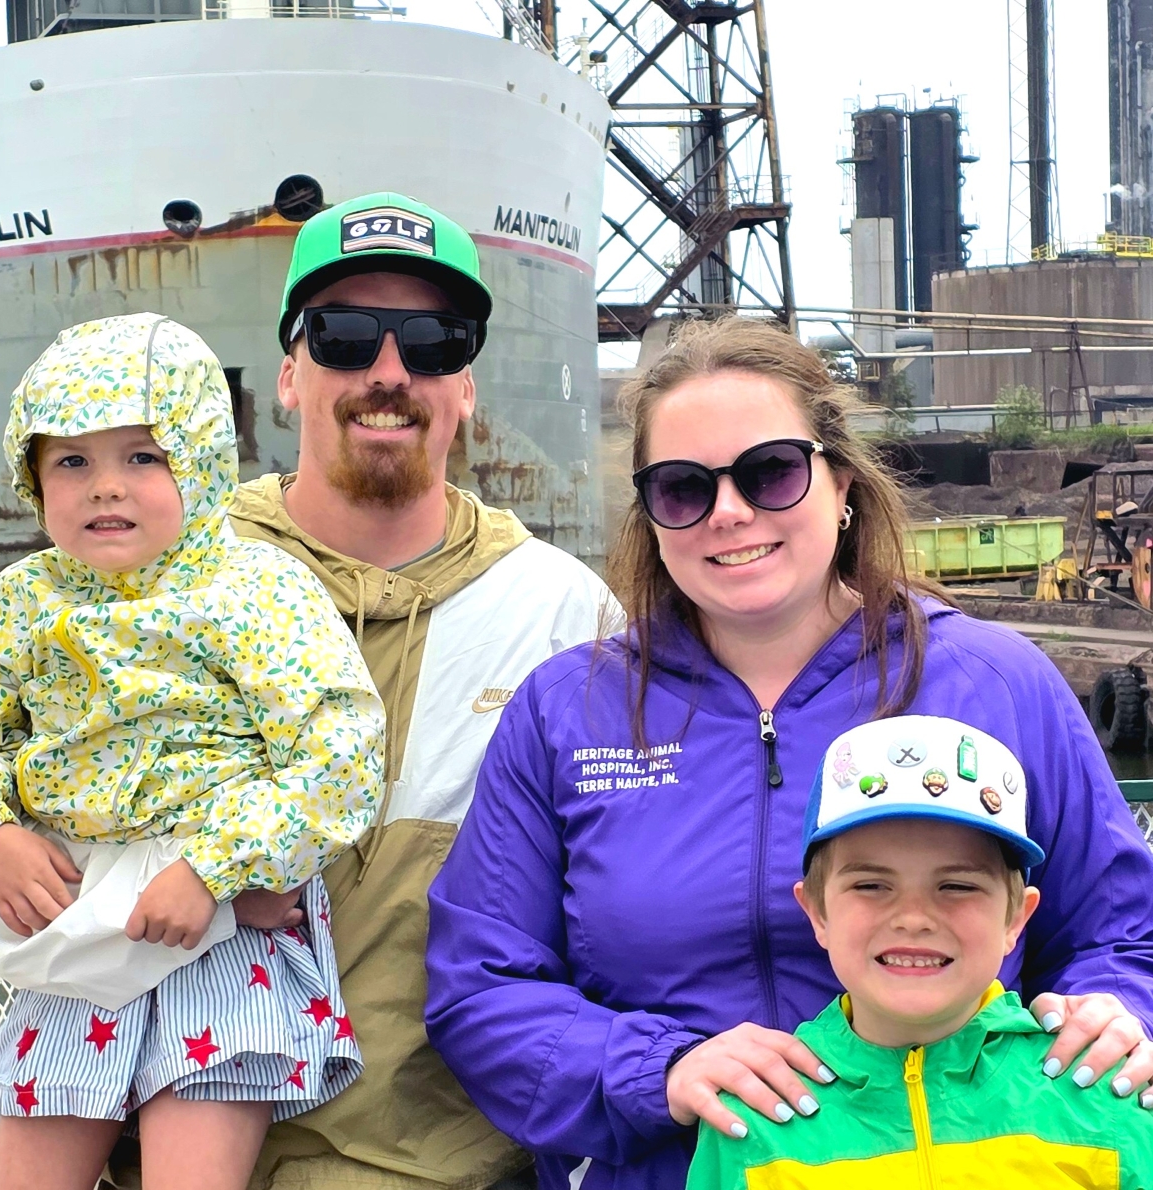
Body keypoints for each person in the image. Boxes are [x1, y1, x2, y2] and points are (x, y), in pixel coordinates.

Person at [423, 317, 1153, 1190]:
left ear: (840, 483)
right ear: (651, 516)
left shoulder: (997, 683)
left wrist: (1118, 1010)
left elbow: (1123, 929)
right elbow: (481, 988)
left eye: (771, 472)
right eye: (683, 488)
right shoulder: (566, 714)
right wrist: (657, 1071)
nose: (729, 513)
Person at [0, 313, 386, 1190]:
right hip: (74, 927)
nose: (103, 489)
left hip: (219, 930)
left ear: (200, 462)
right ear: (33, 476)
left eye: (142, 457)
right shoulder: (22, 601)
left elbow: (339, 749)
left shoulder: (255, 589)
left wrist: (214, 867)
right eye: (72, 462)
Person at [228, 192, 616, 1190]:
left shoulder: (565, 617)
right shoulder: (173, 583)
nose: (388, 372)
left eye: (434, 342)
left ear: (465, 387)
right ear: (287, 375)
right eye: (345, 336)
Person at [687, 714, 1153, 1188]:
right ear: (818, 913)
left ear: (1016, 918)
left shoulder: (1103, 1091)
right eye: (871, 885)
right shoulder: (754, 1117)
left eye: (956, 885)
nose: (913, 917)